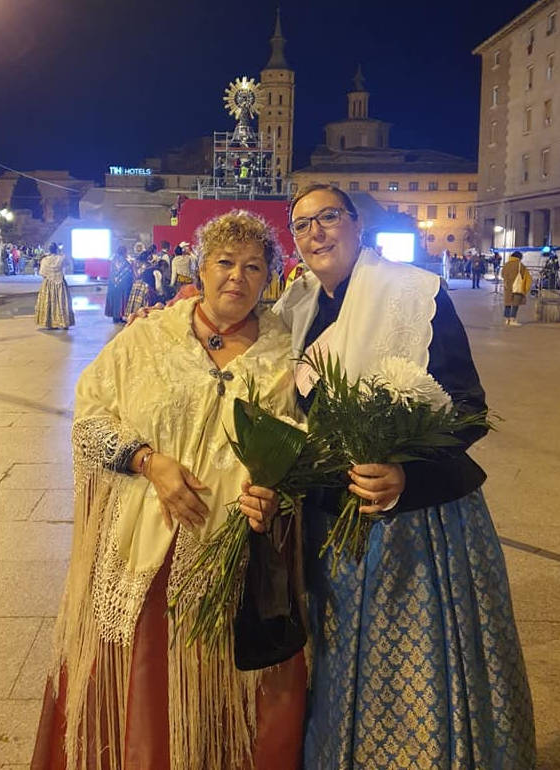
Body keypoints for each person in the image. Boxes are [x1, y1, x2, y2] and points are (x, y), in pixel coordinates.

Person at [250, 184, 534, 768]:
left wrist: (406, 474)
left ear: (357, 226)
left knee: (413, 668)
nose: (316, 233)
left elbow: (468, 407)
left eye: (329, 217)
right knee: (339, 661)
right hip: (329, 525)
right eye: (302, 225)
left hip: (417, 525)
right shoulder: (296, 309)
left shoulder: (414, 293)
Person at [31, 210, 306, 770]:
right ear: (199, 268)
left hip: (237, 561)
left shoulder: (288, 351)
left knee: (229, 696)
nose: (237, 277)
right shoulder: (149, 336)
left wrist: (279, 494)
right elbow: (90, 420)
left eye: (253, 266)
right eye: (225, 262)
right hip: (147, 554)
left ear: (270, 276)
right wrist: (148, 461)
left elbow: (306, 448)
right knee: (146, 694)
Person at [34, 242, 75, 330]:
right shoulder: (61, 258)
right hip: (60, 282)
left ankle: (50, 323)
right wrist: (60, 252)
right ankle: (64, 322)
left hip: (48, 283)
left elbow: (42, 273)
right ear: (56, 249)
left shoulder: (44, 260)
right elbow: (68, 263)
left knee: (49, 302)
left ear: (49, 250)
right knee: (62, 302)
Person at [501, 250, 532, 326]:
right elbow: (527, 277)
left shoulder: (506, 264)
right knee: (515, 303)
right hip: (517, 287)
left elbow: (502, 274)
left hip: (507, 286)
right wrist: (526, 287)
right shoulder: (520, 265)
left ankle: (507, 319)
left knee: (507, 302)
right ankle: (512, 319)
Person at [104, 246, 133, 323]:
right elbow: (129, 272)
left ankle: (115, 317)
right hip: (122, 285)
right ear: (124, 252)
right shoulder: (125, 262)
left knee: (114, 300)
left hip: (113, 284)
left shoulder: (113, 260)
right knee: (121, 300)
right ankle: (119, 316)